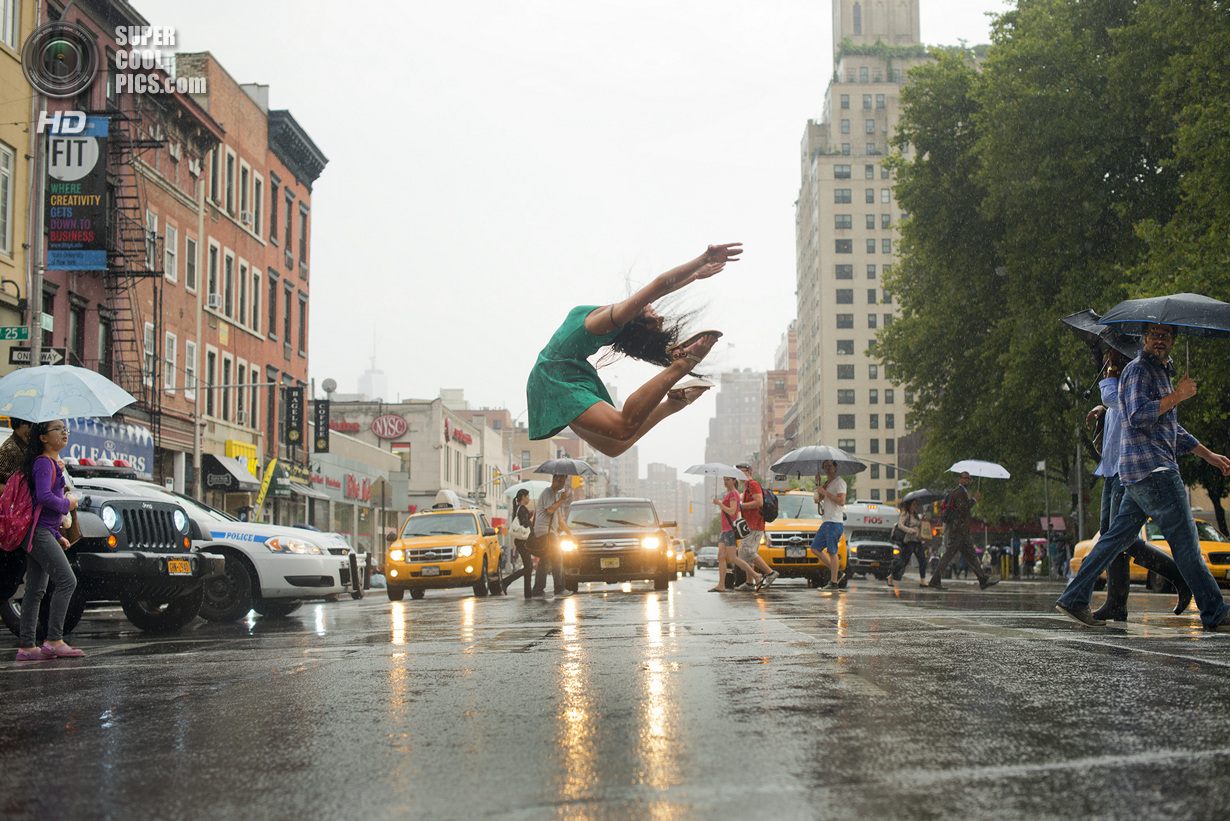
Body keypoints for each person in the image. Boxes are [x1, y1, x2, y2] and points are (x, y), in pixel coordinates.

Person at [1056, 322, 1230, 629]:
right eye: (1153, 335)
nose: (1158, 340)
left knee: (1114, 539)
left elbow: (1170, 429)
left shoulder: (1162, 371)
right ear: (1143, 339)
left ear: (1174, 340)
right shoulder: (1139, 370)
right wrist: (1178, 396)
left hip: (1139, 473)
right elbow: (1136, 416)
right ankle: (1215, 610)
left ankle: (1074, 597)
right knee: (1186, 544)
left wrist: (1208, 455)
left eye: (1165, 335)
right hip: (1155, 471)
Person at [526, 244, 742, 457]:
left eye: (654, 317)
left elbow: (659, 286)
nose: (660, 315)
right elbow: (661, 287)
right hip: (555, 375)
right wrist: (696, 269)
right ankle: (682, 365)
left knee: (617, 441)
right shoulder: (616, 317)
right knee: (620, 432)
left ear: (637, 321)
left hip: (556, 375)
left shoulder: (616, 318)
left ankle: (671, 402)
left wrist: (703, 260)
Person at [1083, 347, 1191, 621]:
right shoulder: (1121, 378)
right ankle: (1117, 602)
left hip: (1127, 466)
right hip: (1110, 467)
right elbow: (1114, 408)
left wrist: (1109, 375)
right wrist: (1102, 410)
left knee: (1119, 538)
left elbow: (1117, 400)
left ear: (1123, 353)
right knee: (1112, 535)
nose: (1108, 359)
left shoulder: (1133, 375)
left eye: (1111, 353)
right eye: (1106, 355)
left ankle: (1177, 576)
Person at [16, 421, 83, 660]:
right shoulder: (43, 463)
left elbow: (40, 508)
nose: (64, 433)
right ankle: (54, 640)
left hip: (41, 532)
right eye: (58, 429)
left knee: (35, 590)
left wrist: (57, 536)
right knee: (67, 581)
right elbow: (43, 497)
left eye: (66, 429)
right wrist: (69, 503)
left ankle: (26, 647)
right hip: (38, 533)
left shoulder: (51, 464)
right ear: (43, 438)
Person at [924, 471, 998, 590]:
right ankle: (934, 580)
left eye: (969, 479)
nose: (967, 480)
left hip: (962, 531)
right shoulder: (959, 493)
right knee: (948, 556)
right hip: (957, 531)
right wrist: (974, 499)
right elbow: (963, 509)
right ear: (960, 479)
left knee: (972, 556)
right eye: (965, 478)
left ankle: (982, 579)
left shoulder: (963, 492)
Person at [0, 418, 33, 611]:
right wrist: (16, 491)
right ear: (20, 426)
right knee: (7, 577)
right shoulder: (9, 450)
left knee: (12, 576)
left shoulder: (29, 448)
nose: (31, 430)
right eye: (29, 425)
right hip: (10, 523)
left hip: (20, 523)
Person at [708, 475, 761, 592]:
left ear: (733, 481)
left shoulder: (734, 493)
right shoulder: (728, 494)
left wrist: (719, 504)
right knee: (721, 556)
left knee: (733, 559)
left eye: (728, 480)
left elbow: (732, 512)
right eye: (724, 479)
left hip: (730, 531)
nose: (725, 482)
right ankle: (721, 585)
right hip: (724, 531)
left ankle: (756, 575)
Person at [736, 463, 779, 590]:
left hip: (755, 524)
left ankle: (770, 572)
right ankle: (749, 583)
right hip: (748, 524)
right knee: (744, 554)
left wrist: (742, 506)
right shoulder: (746, 486)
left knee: (748, 551)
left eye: (741, 471)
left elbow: (759, 502)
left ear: (748, 471)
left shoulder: (753, 484)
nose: (738, 475)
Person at [530, 475, 574, 598]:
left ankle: (538, 590)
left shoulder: (555, 495)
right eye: (559, 481)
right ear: (553, 480)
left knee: (545, 561)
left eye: (563, 482)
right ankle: (559, 589)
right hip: (546, 532)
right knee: (557, 558)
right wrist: (562, 500)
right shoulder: (548, 493)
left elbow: (560, 520)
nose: (561, 484)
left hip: (550, 532)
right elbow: (549, 510)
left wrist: (570, 534)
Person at [810, 460, 847, 591]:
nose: (827, 467)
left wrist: (825, 493)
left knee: (832, 551)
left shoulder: (840, 482)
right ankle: (836, 572)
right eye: (825, 466)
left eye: (830, 465)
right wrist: (818, 486)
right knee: (815, 548)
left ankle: (834, 582)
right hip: (826, 521)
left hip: (834, 522)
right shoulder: (827, 483)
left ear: (836, 467)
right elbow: (817, 500)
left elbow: (841, 501)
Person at [500, 489, 537, 599]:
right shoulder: (521, 509)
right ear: (523, 497)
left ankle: (528, 592)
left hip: (522, 541)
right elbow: (526, 524)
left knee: (528, 567)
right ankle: (506, 581)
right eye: (528, 496)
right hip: (522, 541)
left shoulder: (519, 508)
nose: (529, 499)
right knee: (528, 567)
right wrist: (533, 516)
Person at [886, 498, 927, 585]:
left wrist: (922, 520)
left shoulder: (916, 516)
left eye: (916, 504)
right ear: (909, 505)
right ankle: (891, 576)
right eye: (914, 504)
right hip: (908, 541)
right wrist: (910, 530)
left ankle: (923, 580)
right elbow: (900, 525)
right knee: (903, 562)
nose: (915, 506)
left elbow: (919, 526)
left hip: (917, 540)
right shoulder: (905, 514)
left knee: (922, 560)